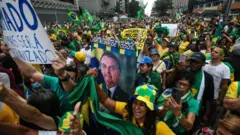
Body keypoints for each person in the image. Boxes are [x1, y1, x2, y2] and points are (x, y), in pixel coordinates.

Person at [95, 83, 175, 135]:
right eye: (135, 103)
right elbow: (105, 101)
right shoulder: (127, 110)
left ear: (148, 108)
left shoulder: (158, 126)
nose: (136, 108)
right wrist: (93, 83)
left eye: (142, 105)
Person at [157, 70, 200, 134]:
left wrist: (178, 114)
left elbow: (189, 127)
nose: (181, 86)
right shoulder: (166, 93)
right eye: (180, 83)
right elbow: (156, 115)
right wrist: (164, 109)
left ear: (189, 87)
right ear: (176, 83)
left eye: (185, 85)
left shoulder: (193, 103)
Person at [189, 52, 215, 128]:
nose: (193, 64)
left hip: (197, 110)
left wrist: (206, 114)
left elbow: (208, 97)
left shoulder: (208, 77)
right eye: (192, 61)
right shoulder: (183, 72)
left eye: (196, 62)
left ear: (203, 64)